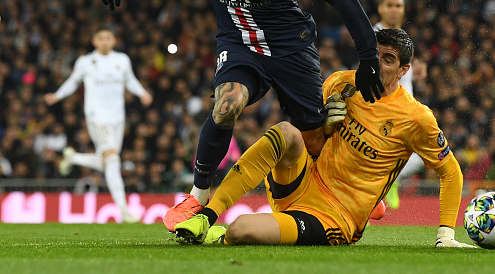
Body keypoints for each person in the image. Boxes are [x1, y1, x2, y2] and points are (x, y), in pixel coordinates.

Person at [88, 0, 384, 231]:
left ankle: (357, 186)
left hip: (290, 47)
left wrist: (368, 56)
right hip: (238, 43)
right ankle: (198, 196)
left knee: (314, 138)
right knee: (226, 105)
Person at [173, 29, 473, 248]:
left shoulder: (415, 117)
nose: (377, 64)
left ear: (404, 70)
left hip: (335, 217)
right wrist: (325, 128)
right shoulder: (341, 83)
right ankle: (207, 216)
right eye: (375, 55)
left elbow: (451, 172)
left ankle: (219, 236)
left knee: (240, 230)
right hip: (304, 182)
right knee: (286, 131)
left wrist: (445, 235)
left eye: (389, 60)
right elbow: (310, 142)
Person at [43, 26, 153, 223]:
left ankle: (74, 157)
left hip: (117, 118)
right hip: (96, 117)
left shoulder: (122, 60)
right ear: (94, 41)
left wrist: (142, 93)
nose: (104, 41)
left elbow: (131, 81)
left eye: (108, 38)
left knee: (108, 161)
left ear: (114, 41)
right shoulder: (85, 62)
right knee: (112, 159)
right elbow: (73, 82)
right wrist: (57, 96)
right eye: (100, 38)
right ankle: (124, 209)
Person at [373, 0, 427, 209]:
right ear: (381, 9)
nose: (394, 9)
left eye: (398, 5)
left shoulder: (403, 36)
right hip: (386, 108)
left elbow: (404, 69)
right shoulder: (375, 36)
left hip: (407, 108)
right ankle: (379, 187)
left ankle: (389, 179)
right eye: (390, 4)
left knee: (423, 155)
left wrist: (417, 68)